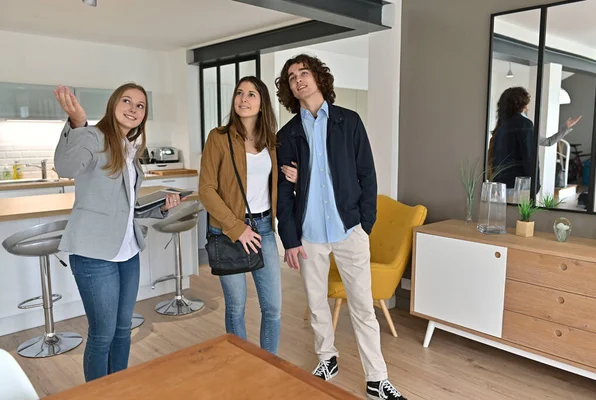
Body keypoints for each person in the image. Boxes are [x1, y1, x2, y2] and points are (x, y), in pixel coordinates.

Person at [275, 54, 408, 400]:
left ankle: (377, 378)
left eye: (304, 72)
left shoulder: (348, 122)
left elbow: (367, 174)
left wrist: (364, 224)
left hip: (349, 229)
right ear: (289, 89)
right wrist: (289, 239)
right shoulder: (287, 134)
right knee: (316, 304)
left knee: (363, 307)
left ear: (318, 78)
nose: (298, 79)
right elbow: (284, 193)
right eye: (291, 77)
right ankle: (327, 358)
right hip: (309, 236)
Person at [53, 84, 182, 382]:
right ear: (113, 104)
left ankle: (119, 388)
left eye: (140, 105)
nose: (133, 109)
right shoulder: (93, 137)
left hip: (128, 253)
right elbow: (65, 166)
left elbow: (128, 208)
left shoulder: (130, 150)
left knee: (124, 328)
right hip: (94, 255)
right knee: (102, 334)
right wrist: (77, 124)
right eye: (127, 101)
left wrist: (162, 207)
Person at [199, 76, 285, 355]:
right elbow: (207, 190)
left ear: (262, 104)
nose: (243, 99)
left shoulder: (272, 141)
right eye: (239, 93)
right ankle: (240, 365)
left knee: (272, 307)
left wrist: (291, 175)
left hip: (265, 228)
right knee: (236, 306)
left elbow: (274, 183)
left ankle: (268, 366)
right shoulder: (219, 137)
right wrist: (237, 228)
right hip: (228, 229)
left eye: (251, 94)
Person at [487, 86, 582, 195]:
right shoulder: (524, 125)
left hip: (500, 184)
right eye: (526, 104)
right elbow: (529, 157)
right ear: (521, 105)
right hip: (517, 186)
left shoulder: (501, 126)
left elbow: (547, 142)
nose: (527, 108)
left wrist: (565, 128)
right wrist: (535, 185)